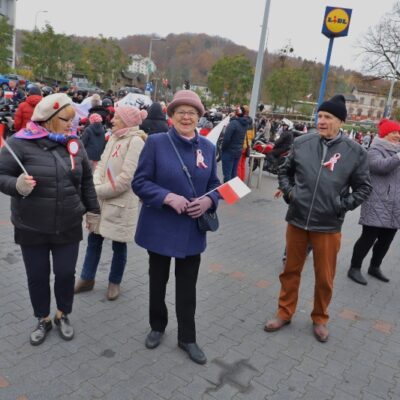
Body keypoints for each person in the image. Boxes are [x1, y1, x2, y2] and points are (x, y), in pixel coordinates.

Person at [264, 95, 372, 342]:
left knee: (325, 277)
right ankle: (284, 312)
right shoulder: (302, 142)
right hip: (298, 220)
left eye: (328, 117)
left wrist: (340, 206)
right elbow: (284, 170)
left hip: (328, 225)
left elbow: (364, 188)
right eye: (320, 116)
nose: (321, 121)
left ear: (340, 121)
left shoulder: (355, 152)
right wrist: (291, 193)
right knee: (290, 271)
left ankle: (320, 317)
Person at [0, 93, 100, 346]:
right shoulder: (20, 143)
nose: (72, 124)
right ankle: (42, 318)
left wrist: (93, 211)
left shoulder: (74, 143)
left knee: (66, 273)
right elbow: (2, 175)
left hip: (67, 223)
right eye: (66, 119)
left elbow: (86, 180)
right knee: (37, 275)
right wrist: (17, 185)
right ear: (49, 119)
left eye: (73, 119)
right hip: (31, 225)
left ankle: (62, 314)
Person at [132, 90, 220, 365]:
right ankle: (157, 326)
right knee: (157, 282)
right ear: (170, 116)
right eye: (180, 111)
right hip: (160, 226)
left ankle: (187, 338)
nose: (186, 116)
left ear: (199, 118)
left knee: (187, 288)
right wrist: (168, 197)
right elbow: (140, 182)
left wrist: (208, 201)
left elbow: (215, 186)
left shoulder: (207, 147)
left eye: (192, 112)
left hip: (191, 231)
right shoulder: (156, 143)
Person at [75, 106, 148, 300]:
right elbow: (99, 166)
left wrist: (96, 190)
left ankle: (114, 282)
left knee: (119, 245)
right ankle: (87, 278)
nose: (112, 119)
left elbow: (126, 179)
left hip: (120, 204)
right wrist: (95, 183)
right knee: (93, 240)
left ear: (127, 120)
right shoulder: (114, 136)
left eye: (116, 117)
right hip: (101, 200)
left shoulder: (135, 142)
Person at [347, 119, 400, 285]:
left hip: (395, 203)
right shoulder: (374, 150)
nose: (397, 135)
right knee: (368, 237)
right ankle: (354, 268)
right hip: (377, 201)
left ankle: (375, 266)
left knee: (387, 239)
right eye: (394, 132)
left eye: (399, 133)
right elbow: (380, 167)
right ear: (384, 133)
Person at [221, 105, 248, 182]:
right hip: (238, 150)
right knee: (234, 172)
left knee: (227, 174)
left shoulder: (233, 123)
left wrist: (223, 149)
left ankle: (227, 192)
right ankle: (233, 191)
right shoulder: (245, 124)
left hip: (229, 151)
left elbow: (226, 139)